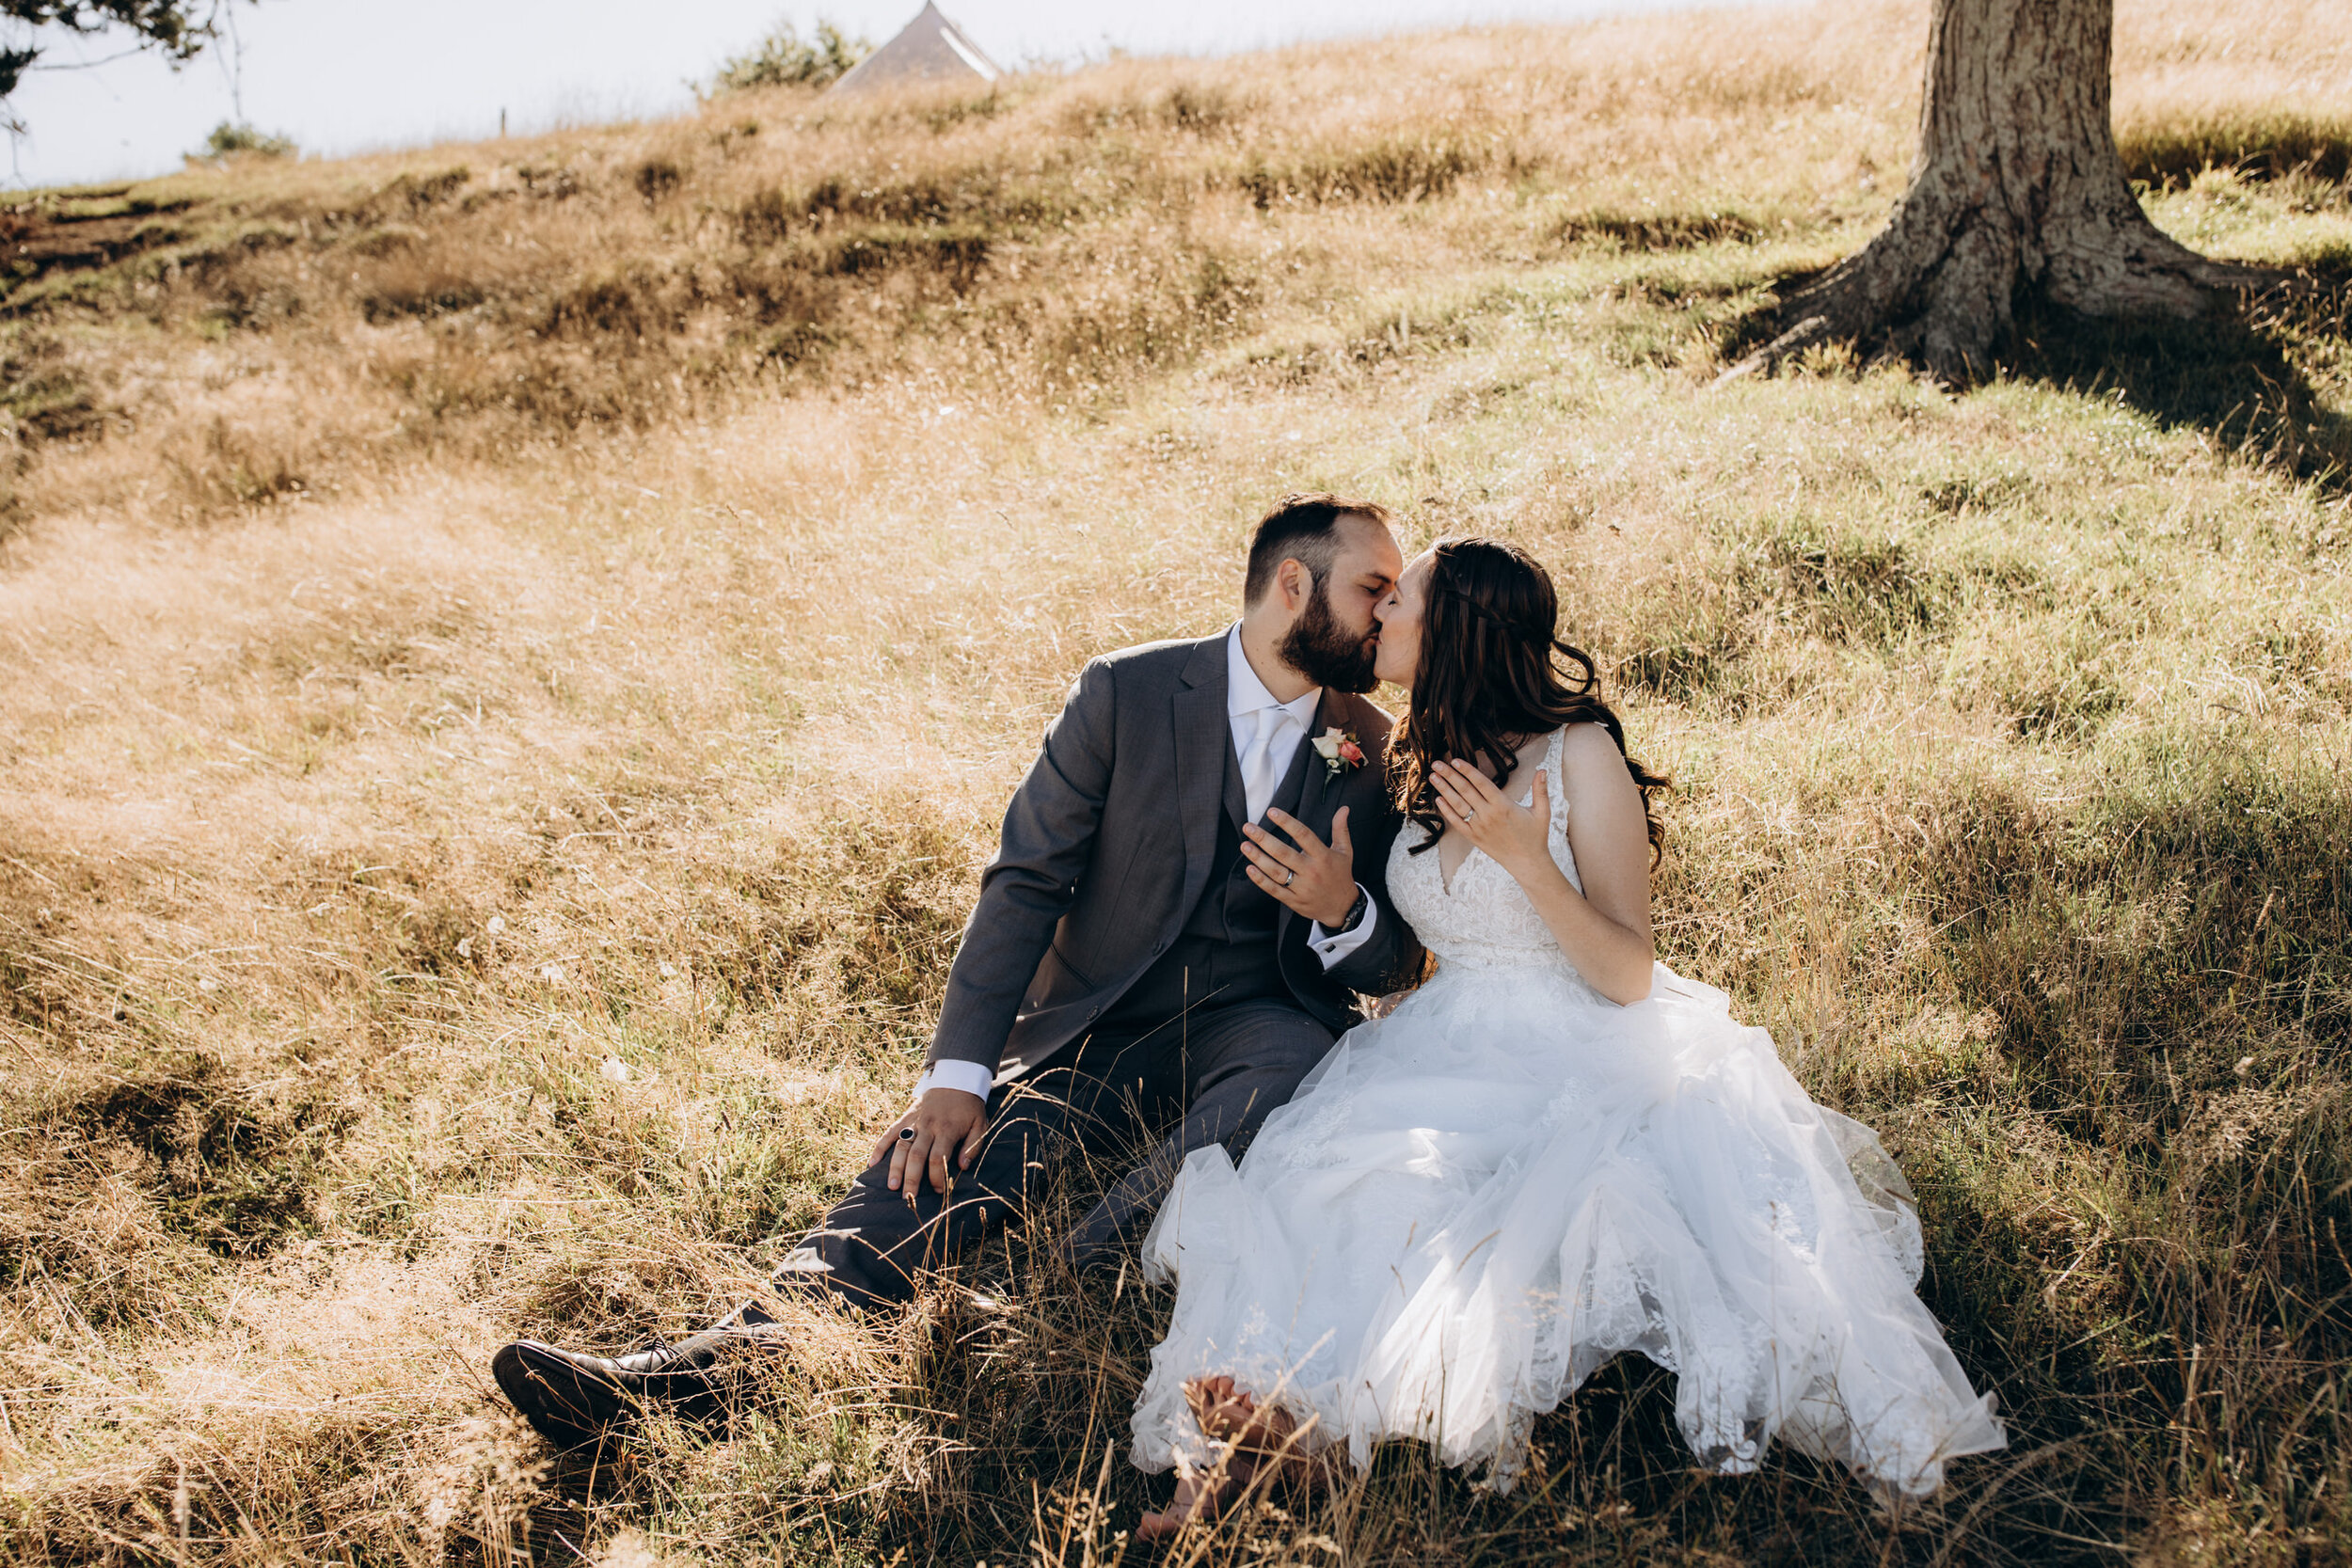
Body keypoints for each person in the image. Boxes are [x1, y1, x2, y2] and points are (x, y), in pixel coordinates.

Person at [493, 494, 1427, 1450]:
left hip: (1259, 1019)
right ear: (1290, 584)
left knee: (1289, 1077)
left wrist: (1339, 908)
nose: (1388, 609)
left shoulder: (1375, 746)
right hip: (1099, 1019)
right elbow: (1025, 880)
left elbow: (1400, 952)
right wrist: (953, 1076)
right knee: (958, 1157)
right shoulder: (1127, 692)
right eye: (1372, 586)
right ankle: (695, 1372)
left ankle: (1047, 1287)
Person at [1131, 536, 2005, 1538]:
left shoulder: (1577, 752)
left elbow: (1628, 972)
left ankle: (1317, 1429)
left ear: (1453, 627)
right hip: (1435, 1042)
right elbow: (1428, 950)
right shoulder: (1424, 750)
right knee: (1324, 1182)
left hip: (1572, 1044)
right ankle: (1245, 1449)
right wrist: (1342, 903)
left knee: (1434, 1204)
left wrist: (1524, 859)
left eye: (1398, 601)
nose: (1377, 617)